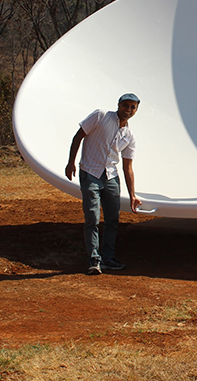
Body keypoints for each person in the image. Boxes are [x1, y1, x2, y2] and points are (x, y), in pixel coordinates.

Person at [66, 93, 142, 275]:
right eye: (126, 105)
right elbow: (78, 137)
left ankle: (108, 258)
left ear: (136, 110)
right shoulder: (100, 116)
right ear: (118, 104)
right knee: (92, 216)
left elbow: (127, 167)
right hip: (90, 172)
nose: (128, 110)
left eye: (133, 107)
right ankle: (94, 259)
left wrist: (132, 194)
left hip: (111, 176)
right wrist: (71, 162)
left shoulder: (129, 136)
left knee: (112, 220)